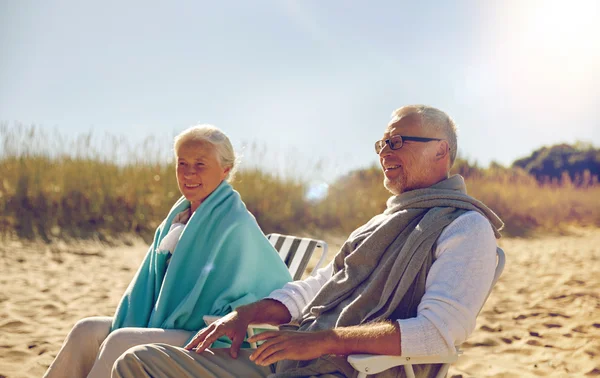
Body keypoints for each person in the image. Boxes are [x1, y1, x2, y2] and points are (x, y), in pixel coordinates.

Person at [112, 105, 504, 378]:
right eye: (382, 143)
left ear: (441, 151)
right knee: (136, 360)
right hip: (292, 359)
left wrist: (322, 343)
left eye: (398, 141)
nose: (385, 151)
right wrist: (247, 314)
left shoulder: (464, 228)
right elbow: (320, 286)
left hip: (349, 369)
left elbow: (436, 334)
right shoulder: (383, 222)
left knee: (137, 362)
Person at [43, 125, 292, 378]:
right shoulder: (180, 216)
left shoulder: (235, 222)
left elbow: (253, 290)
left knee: (120, 341)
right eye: (182, 163)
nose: (188, 173)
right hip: (165, 321)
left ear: (225, 170)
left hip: (207, 334)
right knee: (85, 330)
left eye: (200, 164)